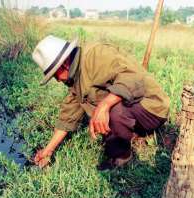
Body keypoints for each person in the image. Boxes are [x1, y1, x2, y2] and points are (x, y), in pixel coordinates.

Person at [31, 35, 170, 170]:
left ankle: (122, 158)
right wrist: (48, 150)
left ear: (64, 65)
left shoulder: (97, 55)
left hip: (153, 109)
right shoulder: (74, 79)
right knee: (111, 114)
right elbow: (68, 117)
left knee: (114, 111)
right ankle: (132, 135)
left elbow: (132, 78)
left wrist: (104, 106)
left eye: (55, 75)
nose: (57, 80)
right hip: (134, 113)